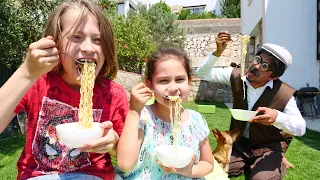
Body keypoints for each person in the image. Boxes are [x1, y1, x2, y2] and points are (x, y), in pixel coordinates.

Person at [0, 0, 128, 179]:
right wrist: (27, 72)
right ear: (55, 44)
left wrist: (113, 142)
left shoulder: (114, 94)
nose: (88, 48)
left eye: (98, 39)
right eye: (76, 37)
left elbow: (126, 158)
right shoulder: (37, 82)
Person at [196, 32, 306, 179]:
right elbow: (202, 74)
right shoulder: (237, 77)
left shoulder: (283, 93)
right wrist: (217, 52)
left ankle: (277, 162)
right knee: (214, 166)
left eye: (265, 66)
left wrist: (276, 117)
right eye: (257, 59)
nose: (256, 66)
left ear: (273, 75)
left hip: (267, 147)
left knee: (260, 178)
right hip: (239, 143)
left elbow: (301, 128)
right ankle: (248, 163)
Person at [115, 47, 214, 179]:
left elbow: (207, 162)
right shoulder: (142, 117)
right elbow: (124, 164)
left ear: (189, 81)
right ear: (150, 85)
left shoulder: (197, 120)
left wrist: (189, 172)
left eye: (180, 79)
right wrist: (134, 110)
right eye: (163, 81)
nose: (173, 88)